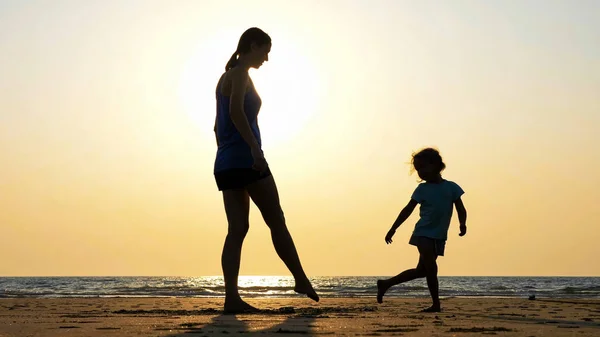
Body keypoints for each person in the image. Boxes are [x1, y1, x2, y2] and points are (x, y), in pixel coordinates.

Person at [213, 27, 319, 314]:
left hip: (225, 162)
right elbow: (235, 112)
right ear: (253, 45)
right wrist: (254, 149)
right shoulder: (239, 75)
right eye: (265, 51)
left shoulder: (226, 76)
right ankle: (299, 278)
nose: (267, 58)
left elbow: (217, 126)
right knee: (276, 219)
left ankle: (231, 298)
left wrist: (226, 154)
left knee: (237, 229)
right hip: (247, 160)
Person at [376, 148, 467, 312]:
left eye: (423, 168)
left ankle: (386, 284)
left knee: (421, 271)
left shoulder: (452, 187)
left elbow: (461, 208)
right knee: (431, 268)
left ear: (437, 165)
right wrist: (393, 228)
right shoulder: (422, 190)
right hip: (423, 233)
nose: (421, 173)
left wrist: (462, 224)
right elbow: (407, 209)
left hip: (439, 236)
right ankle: (436, 305)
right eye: (418, 170)